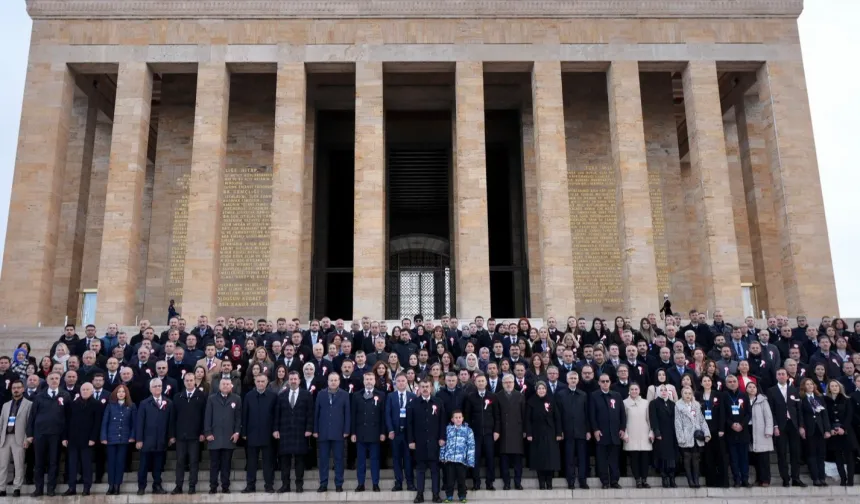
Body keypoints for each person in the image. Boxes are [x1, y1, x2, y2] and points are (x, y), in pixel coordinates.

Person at [26, 372, 69, 497]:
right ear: (47, 380)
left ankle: (51, 488)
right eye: (52, 378)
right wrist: (30, 434)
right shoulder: (39, 396)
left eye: (56, 378)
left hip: (56, 435)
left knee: (53, 463)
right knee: (38, 463)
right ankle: (38, 489)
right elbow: (32, 416)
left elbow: (68, 417)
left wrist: (65, 436)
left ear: (60, 380)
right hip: (40, 434)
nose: (54, 380)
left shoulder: (65, 395)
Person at [407, 378, 446, 503]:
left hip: (434, 442)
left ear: (431, 388)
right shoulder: (413, 403)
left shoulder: (438, 402)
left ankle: (436, 494)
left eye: (427, 386)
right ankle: (420, 494)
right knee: (420, 470)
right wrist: (411, 440)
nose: (425, 389)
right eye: (422, 386)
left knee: (435, 470)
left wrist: (442, 437)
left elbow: (442, 422)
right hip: (419, 442)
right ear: (419, 388)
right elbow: (410, 424)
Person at [275, 371, 314, 493]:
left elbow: (310, 414)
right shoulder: (281, 395)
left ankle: (299, 485)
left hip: (300, 432)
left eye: (295, 379)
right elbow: (277, 415)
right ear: (288, 380)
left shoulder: (306, 395)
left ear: (299, 380)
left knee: (299, 460)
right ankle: (285, 485)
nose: (293, 381)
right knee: (285, 461)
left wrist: (309, 429)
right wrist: (275, 429)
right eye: (291, 379)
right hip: (285, 431)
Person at [766, 368, 805, 487]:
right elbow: (770, 411)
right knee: (781, 453)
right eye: (779, 374)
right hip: (780, 426)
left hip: (793, 425)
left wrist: (801, 426)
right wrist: (775, 426)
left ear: (788, 376)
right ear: (776, 376)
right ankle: (785, 478)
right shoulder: (771, 391)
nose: (781, 376)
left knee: (795, 453)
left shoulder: (795, 390)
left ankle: (796, 478)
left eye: (783, 374)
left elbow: (799, 410)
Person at [135, 378, 174, 495]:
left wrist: (171, 436)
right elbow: (140, 422)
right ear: (150, 389)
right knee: (143, 466)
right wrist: (139, 439)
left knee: (158, 466)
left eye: (159, 386)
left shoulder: (168, 403)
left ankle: (157, 486)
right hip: (147, 440)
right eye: (155, 386)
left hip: (161, 440)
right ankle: (141, 487)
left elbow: (170, 422)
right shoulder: (144, 403)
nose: (157, 388)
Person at [204, 377, 242, 494]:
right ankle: (213, 486)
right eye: (223, 384)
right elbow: (207, 417)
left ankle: (225, 486)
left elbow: (238, 418)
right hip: (214, 436)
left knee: (226, 464)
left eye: (227, 384)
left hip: (229, 437)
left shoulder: (237, 398)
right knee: (214, 464)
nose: (225, 386)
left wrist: (237, 432)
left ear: (231, 386)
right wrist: (208, 433)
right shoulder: (211, 399)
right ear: (219, 386)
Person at [62, 382, 100, 496]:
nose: (85, 391)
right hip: (73, 439)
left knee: (86, 465)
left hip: (87, 440)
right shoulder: (72, 404)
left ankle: (86, 487)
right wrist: (65, 437)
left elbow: (97, 423)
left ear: (92, 391)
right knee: (72, 464)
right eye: (83, 389)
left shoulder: (96, 404)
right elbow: (66, 422)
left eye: (87, 389)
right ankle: (71, 487)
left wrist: (93, 438)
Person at [462, 372, 498, 491]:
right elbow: (467, 416)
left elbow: (497, 416)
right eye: (479, 381)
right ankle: (476, 483)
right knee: (475, 459)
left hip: (489, 433)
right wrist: (468, 432)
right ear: (475, 383)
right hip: (475, 434)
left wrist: (496, 431)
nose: (481, 383)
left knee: (490, 458)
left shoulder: (492, 396)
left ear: (486, 382)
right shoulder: (470, 397)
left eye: (483, 381)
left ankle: (489, 483)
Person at [314, 372, 350, 493]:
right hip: (323, 432)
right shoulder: (321, 394)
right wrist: (315, 430)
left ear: (339, 381)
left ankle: (339, 483)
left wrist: (346, 430)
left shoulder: (344, 395)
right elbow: (316, 414)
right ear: (328, 381)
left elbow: (347, 414)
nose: (333, 382)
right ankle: (323, 483)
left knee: (339, 459)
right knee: (323, 460)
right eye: (331, 380)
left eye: (335, 380)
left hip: (338, 432)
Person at [171, 372, 206, 495]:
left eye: (191, 380)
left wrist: (203, 432)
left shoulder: (201, 396)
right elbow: (173, 418)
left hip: (195, 436)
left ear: (195, 381)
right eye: (187, 380)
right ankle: (178, 486)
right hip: (180, 436)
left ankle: (192, 486)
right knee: (180, 461)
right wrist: (172, 435)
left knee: (194, 461)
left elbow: (204, 416)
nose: (189, 382)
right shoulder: (177, 397)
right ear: (184, 381)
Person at [242, 373, 277, 493]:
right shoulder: (248, 396)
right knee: (251, 463)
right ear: (255, 382)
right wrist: (244, 432)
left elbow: (276, 415)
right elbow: (244, 415)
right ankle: (250, 486)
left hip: (268, 435)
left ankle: (269, 485)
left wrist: (275, 430)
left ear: (267, 382)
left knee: (268, 462)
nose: (260, 384)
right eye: (258, 381)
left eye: (263, 381)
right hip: (252, 434)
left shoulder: (273, 396)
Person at [589, 373, 626, 489]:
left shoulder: (617, 395)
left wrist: (622, 428)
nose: (605, 383)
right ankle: (605, 481)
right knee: (602, 459)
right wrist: (595, 429)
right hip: (601, 433)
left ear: (610, 382)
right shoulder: (594, 396)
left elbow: (622, 414)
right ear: (599, 383)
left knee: (614, 459)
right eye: (602, 381)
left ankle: (614, 481)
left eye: (607, 381)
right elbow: (592, 415)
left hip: (615, 433)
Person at [351, 371, 386, 492]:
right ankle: (361, 483)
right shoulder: (356, 395)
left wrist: (382, 432)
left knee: (375, 461)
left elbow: (383, 416)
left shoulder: (381, 395)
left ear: (374, 381)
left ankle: (375, 483)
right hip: (360, 433)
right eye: (367, 379)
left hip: (375, 433)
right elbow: (353, 415)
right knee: (360, 461)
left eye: (371, 379)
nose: (369, 381)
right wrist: (353, 433)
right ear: (363, 381)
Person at [556, 370, 590, 489]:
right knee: (569, 458)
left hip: (581, 431)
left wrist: (588, 430)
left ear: (578, 380)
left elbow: (587, 414)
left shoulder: (583, 395)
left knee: (582, 458)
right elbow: (558, 415)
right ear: (567, 380)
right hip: (567, 431)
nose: (573, 380)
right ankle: (570, 481)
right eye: (571, 378)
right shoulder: (561, 394)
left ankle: (582, 480)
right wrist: (559, 431)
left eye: (575, 378)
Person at [525, 382, 562, 490]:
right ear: (536, 390)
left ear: (546, 390)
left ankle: (549, 482)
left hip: (550, 433)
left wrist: (559, 433)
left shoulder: (551, 400)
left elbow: (557, 418)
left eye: (543, 388)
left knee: (550, 458)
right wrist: (529, 433)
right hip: (537, 434)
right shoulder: (531, 402)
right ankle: (541, 482)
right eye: (539, 388)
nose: (541, 390)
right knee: (539, 459)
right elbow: (528, 419)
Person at [101, 384, 136, 495]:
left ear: (126, 394)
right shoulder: (110, 405)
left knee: (120, 463)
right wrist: (104, 437)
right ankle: (111, 485)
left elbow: (134, 424)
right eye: (119, 391)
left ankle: (117, 486)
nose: (121, 393)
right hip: (111, 438)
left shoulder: (131, 406)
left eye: (123, 392)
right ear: (116, 393)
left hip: (124, 439)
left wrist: (132, 436)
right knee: (111, 463)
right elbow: (105, 422)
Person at [675, 386, 710, 489]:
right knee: (687, 457)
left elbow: (702, 420)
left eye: (689, 393)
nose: (688, 395)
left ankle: (696, 480)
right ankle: (690, 480)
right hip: (686, 435)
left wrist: (706, 433)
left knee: (695, 458)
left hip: (696, 435)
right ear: (682, 394)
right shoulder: (678, 406)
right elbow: (677, 423)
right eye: (685, 393)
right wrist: (681, 438)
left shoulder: (696, 405)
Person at [0, 380, 31, 497]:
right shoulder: (6, 405)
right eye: (14, 388)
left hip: (19, 438)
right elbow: (1, 422)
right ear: (11, 390)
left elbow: (29, 424)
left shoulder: (29, 404)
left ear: (23, 389)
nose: (16, 390)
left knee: (19, 465)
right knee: (2, 465)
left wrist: (27, 439)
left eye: (18, 388)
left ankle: (16, 488)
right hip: (5, 438)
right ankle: (1, 488)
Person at [798, 377, 831, 486]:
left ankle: (822, 478)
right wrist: (801, 427)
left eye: (811, 384)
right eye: (807, 384)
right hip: (809, 429)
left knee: (821, 455)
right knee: (812, 454)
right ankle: (815, 478)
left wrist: (827, 430)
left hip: (820, 429)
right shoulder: (801, 399)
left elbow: (824, 415)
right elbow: (800, 415)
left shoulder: (819, 398)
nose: (810, 386)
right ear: (804, 386)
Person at [387, 373, 417, 491]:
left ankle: (410, 482)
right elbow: (387, 415)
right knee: (396, 458)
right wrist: (390, 429)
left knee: (408, 458)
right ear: (395, 383)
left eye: (403, 381)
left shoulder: (412, 396)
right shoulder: (391, 396)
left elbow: (415, 417)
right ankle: (398, 482)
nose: (401, 383)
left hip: (408, 433)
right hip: (395, 432)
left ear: (406, 382)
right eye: (398, 381)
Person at [824, 379, 857, 486]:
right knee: (838, 457)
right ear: (829, 388)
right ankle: (843, 478)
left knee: (849, 457)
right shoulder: (825, 400)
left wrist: (843, 428)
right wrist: (830, 429)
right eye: (832, 386)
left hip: (846, 432)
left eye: (836, 386)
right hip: (834, 432)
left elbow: (849, 415)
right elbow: (826, 417)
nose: (834, 388)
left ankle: (850, 479)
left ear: (840, 387)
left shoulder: (847, 399)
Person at [496, 375, 525, 491]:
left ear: (514, 383)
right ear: (502, 384)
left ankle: (518, 482)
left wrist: (525, 430)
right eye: (506, 382)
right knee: (504, 461)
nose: (508, 384)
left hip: (517, 431)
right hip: (503, 432)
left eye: (510, 382)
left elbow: (524, 414)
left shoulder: (520, 395)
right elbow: (497, 416)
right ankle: (506, 483)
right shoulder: (498, 396)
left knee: (518, 461)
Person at [439, 410, 475, 503]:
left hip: (461, 460)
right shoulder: (448, 429)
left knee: (461, 480)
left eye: (460, 417)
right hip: (449, 460)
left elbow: (471, 446)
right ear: (452, 419)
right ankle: (449, 496)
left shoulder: (468, 430)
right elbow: (443, 444)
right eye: (456, 417)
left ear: (462, 418)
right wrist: (442, 456)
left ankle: (462, 496)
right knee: (449, 480)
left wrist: (470, 460)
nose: (458, 419)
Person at [622, 382, 652, 489]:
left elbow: (649, 419)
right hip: (631, 433)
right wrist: (624, 433)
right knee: (634, 458)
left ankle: (644, 479)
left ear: (639, 391)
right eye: (632, 389)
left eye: (636, 389)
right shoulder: (624, 403)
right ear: (629, 391)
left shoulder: (645, 402)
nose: (634, 391)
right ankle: (638, 480)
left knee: (644, 458)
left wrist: (651, 432)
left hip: (644, 433)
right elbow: (623, 420)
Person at [649, 384, 677, 487]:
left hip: (672, 433)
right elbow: (653, 418)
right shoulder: (654, 403)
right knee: (662, 456)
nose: (664, 392)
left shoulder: (672, 404)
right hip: (661, 433)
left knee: (672, 456)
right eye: (661, 390)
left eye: (665, 390)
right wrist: (657, 432)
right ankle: (664, 477)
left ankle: (672, 477)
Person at [746, 382, 773, 486]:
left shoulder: (762, 400)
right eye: (750, 387)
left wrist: (769, 430)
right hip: (749, 429)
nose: (752, 389)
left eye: (754, 387)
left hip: (761, 430)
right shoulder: (744, 400)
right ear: (746, 389)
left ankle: (765, 479)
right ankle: (758, 478)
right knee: (754, 456)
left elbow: (768, 416)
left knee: (764, 457)